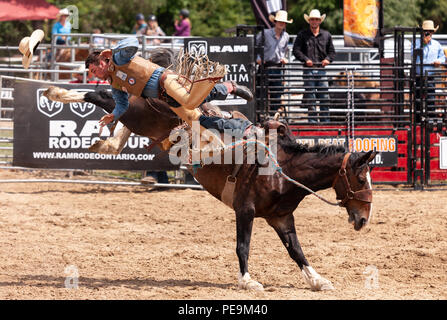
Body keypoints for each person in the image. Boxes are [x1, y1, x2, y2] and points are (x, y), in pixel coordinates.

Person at [84, 37, 253, 147]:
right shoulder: (114, 84)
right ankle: (241, 127)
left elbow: (133, 42)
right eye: (92, 73)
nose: (95, 75)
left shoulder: (118, 58)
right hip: (165, 97)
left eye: (94, 70)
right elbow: (122, 104)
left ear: (101, 62)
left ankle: (229, 87)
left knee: (190, 101)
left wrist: (112, 50)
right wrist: (113, 115)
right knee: (198, 122)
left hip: (167, 81)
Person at [293, 9, 335, 123]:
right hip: (308, 69)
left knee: (324, 97)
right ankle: (312, 122)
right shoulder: (302, 35)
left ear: (320, 21)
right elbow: (296, 50)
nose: (314, 21)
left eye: (316, 19)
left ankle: (325, 121)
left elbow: (332, 52)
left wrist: (327, 59)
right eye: (312, 19)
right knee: (311, 97)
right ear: (309, 21)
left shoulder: (326, 35)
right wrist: (305, 59)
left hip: (321, 69)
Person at [256, 10, 292, 112]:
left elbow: (284, 50)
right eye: (279, 21)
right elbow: (254, 46)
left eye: (284, 22)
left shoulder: (286, 36)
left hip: (278, 68)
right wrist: (257, 58)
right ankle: (260, 118)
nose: (281, 23)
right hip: (265, 67)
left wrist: (284, 58)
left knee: (277, 95)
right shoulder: (265, 33)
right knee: (261, 94)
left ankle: (273, 119)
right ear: (275, 22)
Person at [411, 20, 446, 122]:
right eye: (426, 31)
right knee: (417, 99)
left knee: (430, 99)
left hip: (430, 76)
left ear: (432, 32)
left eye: (429, 31)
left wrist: (438, 61)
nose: (427, 33)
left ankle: (430, 120)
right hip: (418, 75)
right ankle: (417, 121)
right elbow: (413, 55)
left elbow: (442, 57)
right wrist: (422, 45)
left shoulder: (437, 45)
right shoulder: (416, 43)